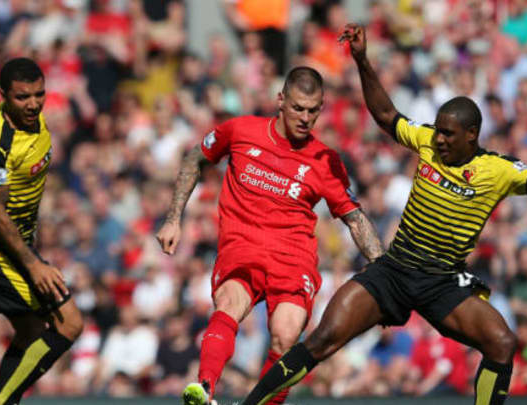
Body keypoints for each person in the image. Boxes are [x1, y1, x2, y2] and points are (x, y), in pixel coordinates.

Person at [240, 24, 527, 405]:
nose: (439, 139)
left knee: (502, 342)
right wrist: (362, 60)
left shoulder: (498, 170)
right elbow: (386, 114)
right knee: (322, 339)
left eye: (449, 134)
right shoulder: (426, 142)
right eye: (437, 131)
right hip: (395, 271)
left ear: (472, 135)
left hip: (441, 283)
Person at [155, 66, 383, 405]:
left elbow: (355, 218)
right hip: (242, 246)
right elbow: (195, 159)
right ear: (281, 100)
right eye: (298, 108)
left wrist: (384, 267)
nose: (305, 118)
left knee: (286, 335)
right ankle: (204, 389)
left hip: (293, 259)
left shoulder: (324, 161)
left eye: (313, 110)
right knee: (229, 303)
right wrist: (174, 217)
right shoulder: (241, 130)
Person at [0, 58, 84, 405]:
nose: (33, 104)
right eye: (22, 97)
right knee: (69, 323)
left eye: (39, 94)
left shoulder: (35, 119)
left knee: (32, 333)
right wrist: (34, 264)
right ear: (3, 96)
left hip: (17, 242)